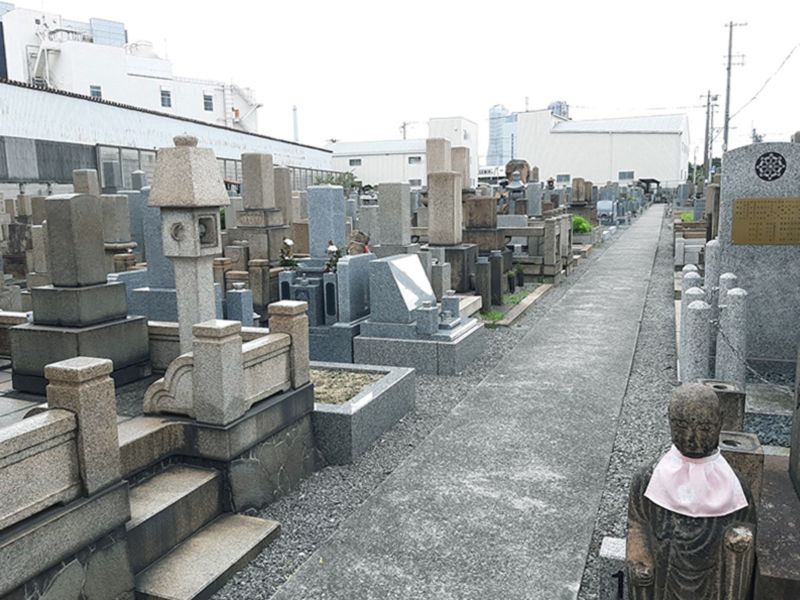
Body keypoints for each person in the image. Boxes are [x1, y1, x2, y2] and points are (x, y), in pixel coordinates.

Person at [626, 384, 756, 600]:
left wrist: (739, 541)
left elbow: (746, 529)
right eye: (680, 426)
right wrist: (639, 554)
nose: (691, 437)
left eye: (704, 428)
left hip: (712, 582)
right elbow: (637, 523)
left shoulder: (735, 486)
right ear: (669, 422)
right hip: (664, 580)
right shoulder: (649, 478)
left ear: (719, 423)